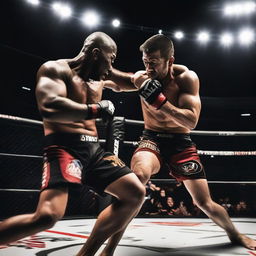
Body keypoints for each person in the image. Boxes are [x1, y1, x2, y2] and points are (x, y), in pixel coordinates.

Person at [99, 34, 256, 255]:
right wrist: (95, 71)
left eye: (153, 62)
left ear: (170, 60)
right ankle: (109, 249)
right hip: (151, 138)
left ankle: (235, 234)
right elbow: (114, 80)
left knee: (204, 202)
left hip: (180, 143)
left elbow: (191, 120)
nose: (148, 67)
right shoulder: (143, 78)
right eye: (145, 62)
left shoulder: (186, 78)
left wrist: (159, 101)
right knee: (138, 179)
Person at [0, 31, 146, 256]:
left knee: (135, 192)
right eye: (111, 58)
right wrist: (96, 109)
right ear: (96, 54)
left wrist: (153, 76)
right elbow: (50, 106)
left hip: (94, 151)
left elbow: (129, 81)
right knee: (47, 216)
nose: (112, 64)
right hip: (64, 148)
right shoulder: (55, 69)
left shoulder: (101, 75)